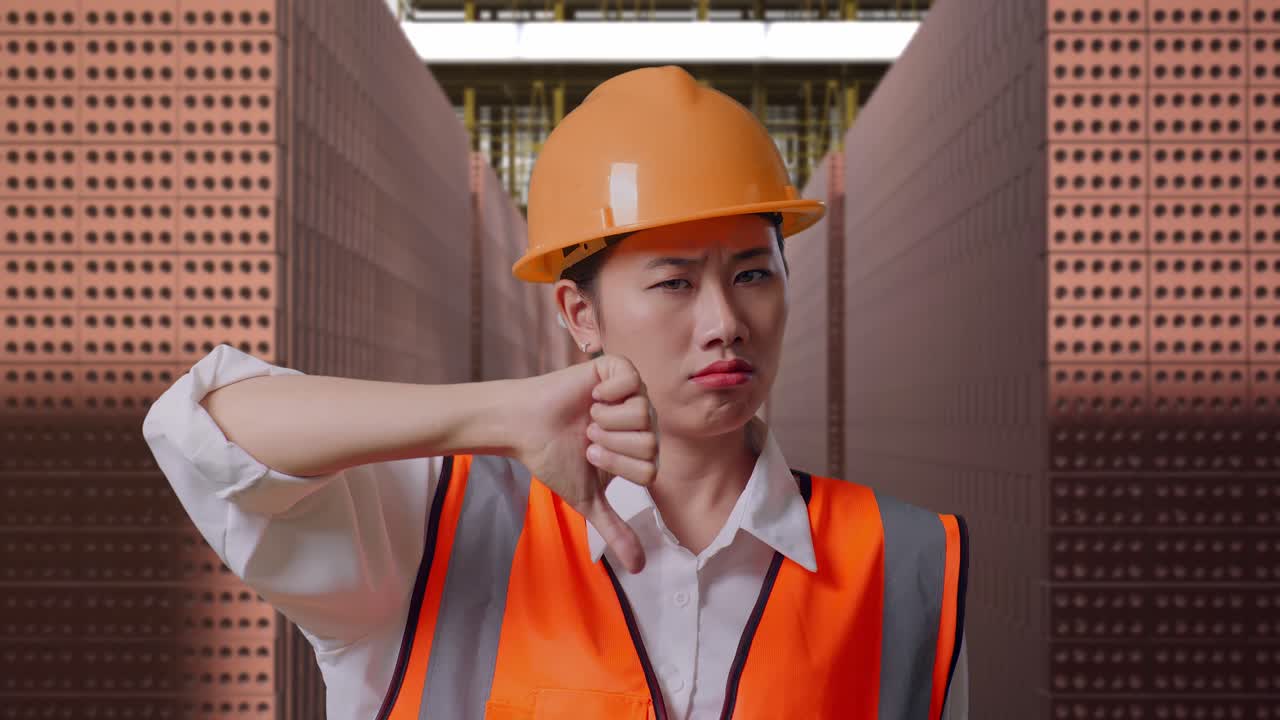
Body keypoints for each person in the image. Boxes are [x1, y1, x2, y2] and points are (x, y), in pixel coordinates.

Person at [143, 64, 969, 720]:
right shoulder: (430, 532)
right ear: (580, 314)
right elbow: (204, 427)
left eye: (753, 273)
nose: (725, 322)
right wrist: (497, 413)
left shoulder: (907, 565)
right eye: (675, 284)